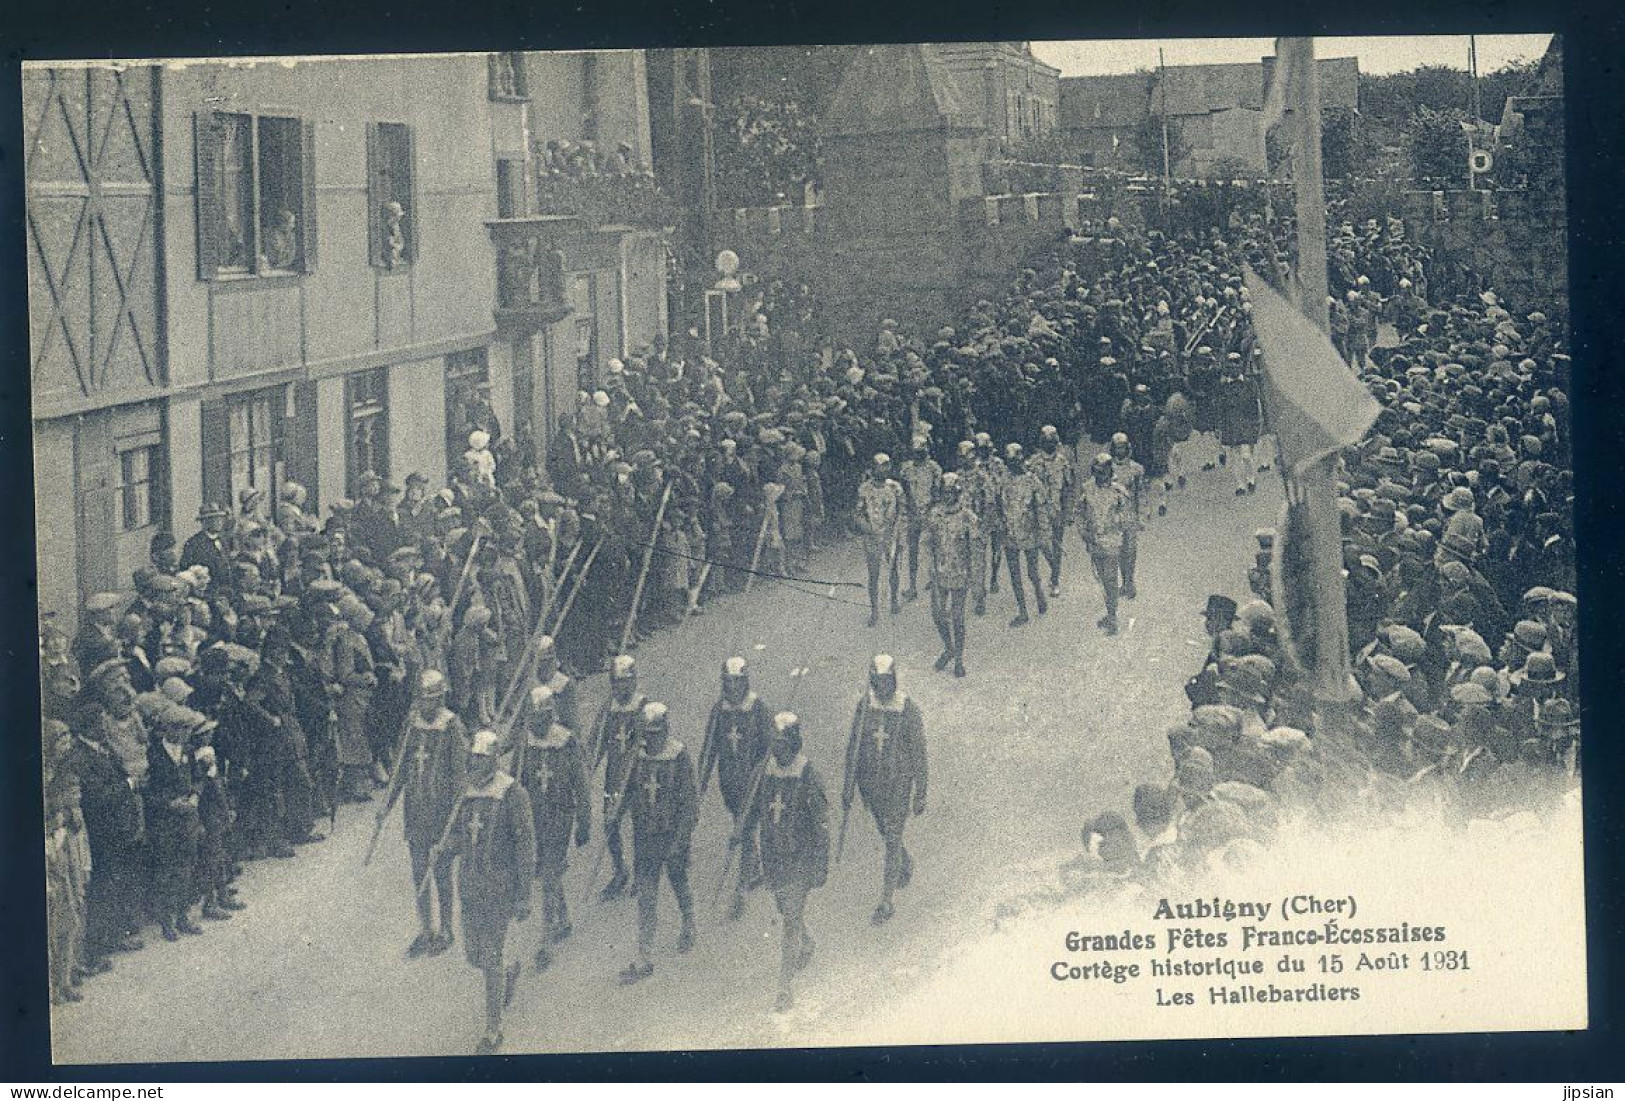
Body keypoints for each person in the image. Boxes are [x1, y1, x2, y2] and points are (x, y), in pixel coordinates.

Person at [438, 728, 534, 1055]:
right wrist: (445, 848)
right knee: (475, 956)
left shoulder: (512, 793)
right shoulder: (465, 794)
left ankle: (494, 1029)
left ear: (493, 760)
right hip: (470, 887)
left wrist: (523, 894)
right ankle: (507, 976)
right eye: (472, 759)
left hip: (499, 889)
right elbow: (459, 838)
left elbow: (525, 845)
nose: (475, 765)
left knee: (490, 956)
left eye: (481, 759)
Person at [744, 711, 830, 1012]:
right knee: (785, 910)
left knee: (791, 918)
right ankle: (806, 943)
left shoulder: (808, 773)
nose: (776, 749)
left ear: (794, 743)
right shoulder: (764, 772)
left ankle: (785, 987)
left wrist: (821, 863)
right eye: (774, 743)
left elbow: (821, 822)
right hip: (775, 858)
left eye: (782, 743)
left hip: (800, 858)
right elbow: (753, 808)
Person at [378, 670, 467, 958]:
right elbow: (400, 770)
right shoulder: (412, 725)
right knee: (419, 871)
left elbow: (459, 774)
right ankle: (425, 928)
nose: (424, 706)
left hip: (441, 812)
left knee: (440, 871)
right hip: (415, 810)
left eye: (429, 700)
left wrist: (457, 814)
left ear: (439, 699)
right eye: (421, 700)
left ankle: (446, 929)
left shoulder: (451, 725)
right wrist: (386, 805)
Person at [617, 701, 699, 985]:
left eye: (655, 734)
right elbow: (627, 790)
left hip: (672, 833)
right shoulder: (636, 758)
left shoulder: (678, 756)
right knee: (647, 895)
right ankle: (644, 955)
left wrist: (683, 836)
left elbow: (690, 801)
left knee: (678, 880)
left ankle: (688, 919)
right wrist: (616, 812)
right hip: (645, 836)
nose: (651, 739)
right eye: (647, 734)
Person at [842, 655, 928, 926]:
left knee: (891, 837)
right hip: (872, 788)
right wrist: (849, 786)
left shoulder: (907, 709)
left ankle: (886, 900)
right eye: (878, 682)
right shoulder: (865, 706)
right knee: (887, 832)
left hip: (898, 786)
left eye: (887, 681)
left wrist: (920, 791)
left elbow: (919, 753)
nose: (883, 687)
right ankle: (904, 859)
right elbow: (853, 748)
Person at [516, 686, 590, 970]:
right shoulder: (524, 744)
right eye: (533, 717)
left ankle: (546, 939)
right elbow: (515, 783)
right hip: (533, 817)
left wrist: (584, 819)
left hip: (559, 815)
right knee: (549, 871)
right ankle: (564, 917)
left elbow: (580, 783)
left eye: (542, 716)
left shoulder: (566, 742)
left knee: (548, 873)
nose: (538, 723)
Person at [699, 656, 772, 920]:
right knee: (740, 822)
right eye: (728, 683)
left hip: (753, 781)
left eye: (737, 683)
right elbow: (709, 748)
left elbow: (770, 747)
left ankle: (743, 881)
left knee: (745, 825)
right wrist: (701, 781)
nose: (733, 689)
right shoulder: (719, 711)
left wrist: (761, 769)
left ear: (745, 682)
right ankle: (753, 862)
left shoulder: (757, 709)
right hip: (729, 781)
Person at [588, 654, 646, 900]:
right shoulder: (608, 707)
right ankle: (620, 869)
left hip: (639, 778)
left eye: (625, 682)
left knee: (639, 826)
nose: (620, 687)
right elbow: (597, 741)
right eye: (616, 682)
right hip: (614, 776)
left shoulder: (642, 706)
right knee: (610, 823)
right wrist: (589, 767)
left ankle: (642, 874)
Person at [924, 472, 978, 677]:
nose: (947, 497)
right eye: (943, 493)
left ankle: (959, 659)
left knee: (957, 617)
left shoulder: (968, 517)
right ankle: (949, 647)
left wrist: (976, 578)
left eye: (950, 492)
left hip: (960, 572)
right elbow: (927, 542)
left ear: (957, 493)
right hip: (939, 571)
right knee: (938, 614)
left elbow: (975, 549)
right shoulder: (935, 514)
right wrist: (930, 565)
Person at [1076, 453, 1133, 635]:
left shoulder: (1119, 492)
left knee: (1110, 579)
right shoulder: (1087, 489)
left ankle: (1113, 618)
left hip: (1112, 542)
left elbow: (1127, 519)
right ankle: (1110, 612)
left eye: (1104, 472)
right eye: (1098, 472)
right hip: (1094, 542)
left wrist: (1115, 523)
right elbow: (1079, 513)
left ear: (1110, 471)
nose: (1101, 476)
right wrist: (1083, 532)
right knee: (1102, 579)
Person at [998, 443, 1049, 627]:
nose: (1013, 464)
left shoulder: (1032, 480)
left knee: (1032, 571)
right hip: (1010, 532)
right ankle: (1022, 610)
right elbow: (998, 504)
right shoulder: (1003, 480)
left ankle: (1039, 593)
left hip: (1029, 531)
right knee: (1014, 574)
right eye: (1010, 461)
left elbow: (1041, 507)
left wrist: (1043, 531)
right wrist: (1000, 525)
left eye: (1015, 460)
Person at [855, 454, 905, 627]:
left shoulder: (895, 487)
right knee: (873, 574)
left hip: (891, 534)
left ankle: (893, 599)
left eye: (886, 466)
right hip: (872, 534)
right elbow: (859, 513)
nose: (883, 470)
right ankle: (874, 609)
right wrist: (867, 528)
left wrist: (897, 531)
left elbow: (901, 510)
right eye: (879, 466)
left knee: (893, 570)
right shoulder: (864, 488)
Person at [1029, 425, 1074, 598]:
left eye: (1051, 442)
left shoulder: (1063, 462)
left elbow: (1068, 489)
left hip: (1056, 510)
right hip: (1039, 511)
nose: (1049, 445)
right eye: (1045, 442)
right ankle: (1054, 567)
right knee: (1042, 543)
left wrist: (1068, 512)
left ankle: (1055, 579)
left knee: (1056, 545)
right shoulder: (1033, 463)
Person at [898, 436, 943, 602]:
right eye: (916, 452)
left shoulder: (934, 468)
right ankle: (912, 585)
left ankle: (936, 578)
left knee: (933, 548)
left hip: (929, 512)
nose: (918, 456)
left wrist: (930, 509)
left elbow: (937, 492)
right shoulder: (907, 469)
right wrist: (911, 509)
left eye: (921, 452)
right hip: (913, 514)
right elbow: (905, 491)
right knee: (913, 550)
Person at [1107, 433, 1148, 600]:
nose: (1120, 450)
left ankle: (1129, 582)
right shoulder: (1107, 469)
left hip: (1130, 515)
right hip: (1113, 517)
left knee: (1130, 551)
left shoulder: (1136, 469)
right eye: (1117, 447)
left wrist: (1143, 516)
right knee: (1116, 552)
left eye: (1123, 447)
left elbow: (1141, 493)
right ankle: (1122, 582)